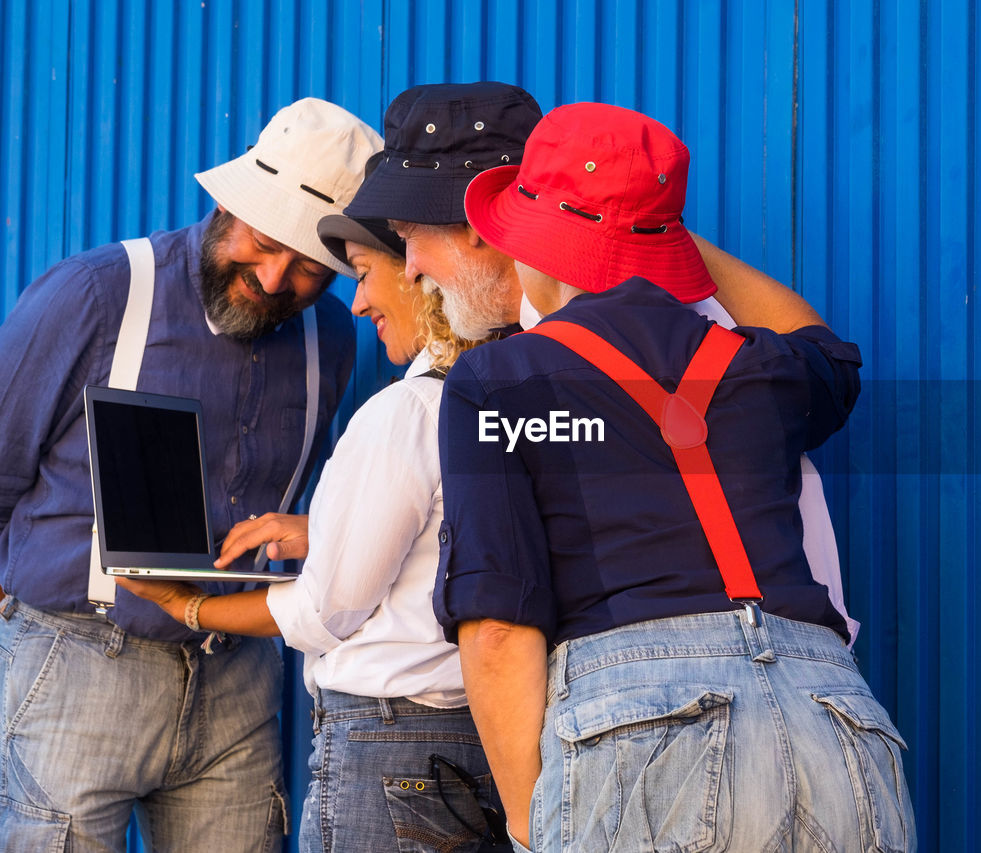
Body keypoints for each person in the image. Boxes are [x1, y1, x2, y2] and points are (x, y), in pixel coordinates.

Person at [435, 103, 917, 851]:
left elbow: (498, 625)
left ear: (538, 243)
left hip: (644, 733)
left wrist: (533, 824)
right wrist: (653, 226)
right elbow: (819, 342)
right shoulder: (759, 367)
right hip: (837, 721)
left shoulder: (497, 381)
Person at [345, 81, 861, 643]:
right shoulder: (720, 335)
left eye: (408, 237)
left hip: (623, 708)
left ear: (479, 224)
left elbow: (497, 625)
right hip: (811, 679)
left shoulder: (504, 381)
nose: (410, 268)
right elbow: (825, 356)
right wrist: (642, 223)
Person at [0, 98, 380, 852]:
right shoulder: (95, 295)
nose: (275, 279)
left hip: (236, 676)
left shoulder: (330, 339)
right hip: (81, 659)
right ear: (226, 204)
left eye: (310, 268)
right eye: (264, 242)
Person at [118, 209, 510, 853]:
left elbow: (326, 612)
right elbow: (456, 535)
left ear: (420, 274)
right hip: (474, 730)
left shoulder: (405, 411)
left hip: (393, 743)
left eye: (362, 275)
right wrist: (326, 528)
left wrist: (186, 606)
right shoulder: (510, 400)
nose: (356, 305)